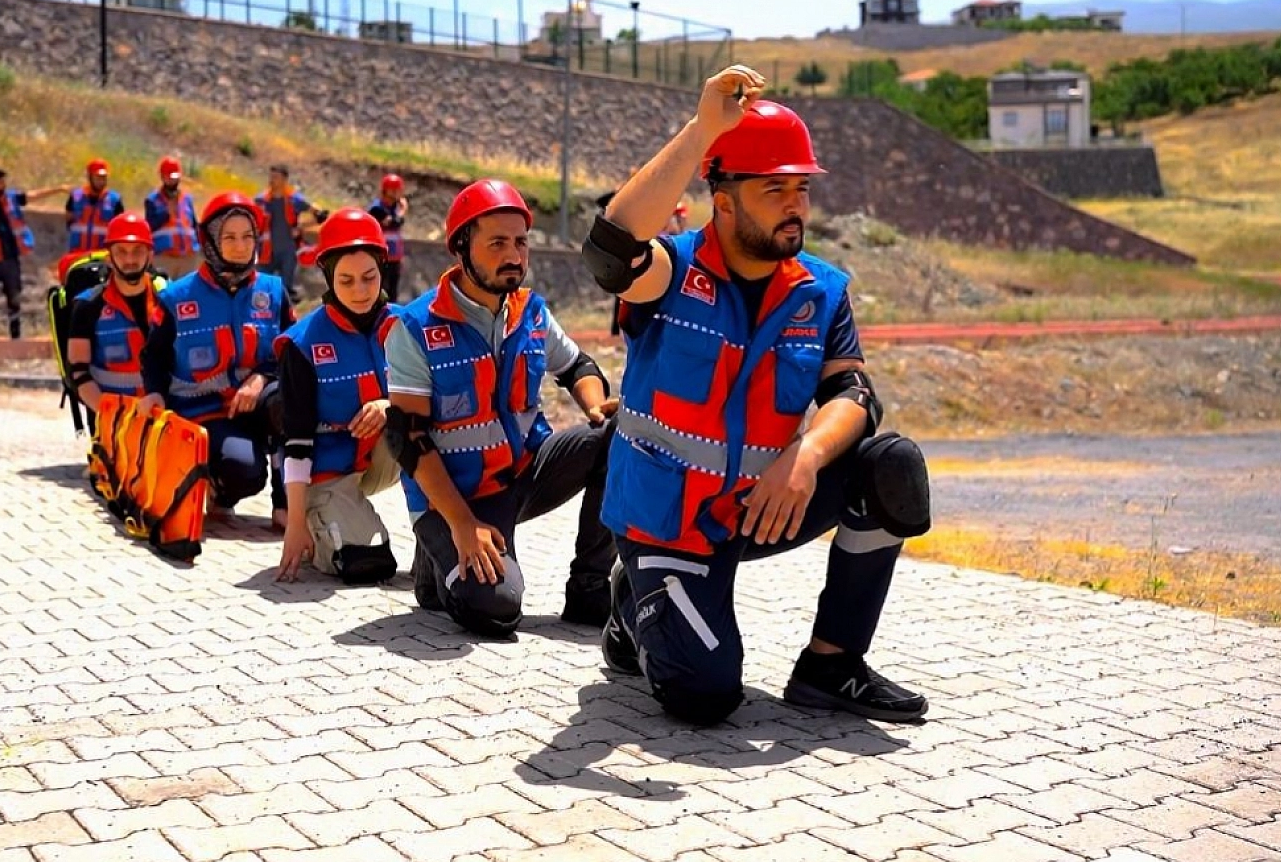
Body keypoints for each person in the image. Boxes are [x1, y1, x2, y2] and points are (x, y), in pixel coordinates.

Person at [582, 66, 933, 726]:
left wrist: (803, 457)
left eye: (801, 188)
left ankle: (832, 666)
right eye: (775, 189)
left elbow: (853, 393)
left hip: (758, 506)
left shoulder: (820, 289)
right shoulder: (672, 271)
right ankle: (634, 607)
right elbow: (610, 251)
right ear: (725, 200)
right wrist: (702, 131)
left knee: (891, 464)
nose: (795, 204)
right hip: (668, 521)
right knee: (706, 698)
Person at [384, 179, 616, 638]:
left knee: (618, 430)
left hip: (523, 475)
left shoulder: (530, 312)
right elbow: (406, 439)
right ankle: (438, 560)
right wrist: (464, 525)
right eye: (497, 243)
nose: (514, 255)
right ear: (461, 249)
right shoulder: (414, 328)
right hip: (452, 499)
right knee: (496, 610)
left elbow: (577, 367)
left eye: (521, 242)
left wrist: (594, 407)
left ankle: (589, 586)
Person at [145, 192, 291, 529]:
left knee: (291, 403)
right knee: (247, 473)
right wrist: (153, 393)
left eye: (247, 237)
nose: (241, 246)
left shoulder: (273, 291)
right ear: (210, 240)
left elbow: (290, 353)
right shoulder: (176, 298)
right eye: (229, 237)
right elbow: (153, 356)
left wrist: (260, 379)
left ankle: (285, 505)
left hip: (256, 404)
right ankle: (219, 489)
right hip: (202, 412)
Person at [273, 209, 402, 585]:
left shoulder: (404, 327)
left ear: (382, 270)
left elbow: (436, 401)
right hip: (326, 472)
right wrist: (294, 524)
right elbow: (295, 443)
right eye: (346, 280)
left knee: (426, 424)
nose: (360, 291)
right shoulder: (302, 344)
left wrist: (390, 406)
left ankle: (439, 527)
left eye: (369, 278)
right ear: (328, 278)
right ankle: (319, 523)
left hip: (383, 454)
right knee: (369, 565)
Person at [64, 212, 172, 411]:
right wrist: (110, 415)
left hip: (165, 417)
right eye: (121, 251)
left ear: (150, 255)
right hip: (112, 421)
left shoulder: (169, 298)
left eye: (138, 250)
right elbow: (77, 372)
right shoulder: (87, 306)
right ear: (109, 258)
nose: (130, 259)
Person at [0, 168, 71, 340]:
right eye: (0, 182)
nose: (4, 185)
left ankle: (16, 337)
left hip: (10, 258)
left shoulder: (11, 199)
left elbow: (33, 196)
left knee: (14, 298)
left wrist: (57, 189)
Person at [255, 164, 328, 305]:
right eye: (270, 176)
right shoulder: (261, 200)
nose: (271, 180)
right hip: (265, 250)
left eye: (275, 177)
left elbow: (320, 214)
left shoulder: (295, 200)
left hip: (288, 250)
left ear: (284, 179)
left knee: (285, 289)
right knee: (261, 288)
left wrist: (302, 227)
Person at [144, 155, 201, 281]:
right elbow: (150, 226)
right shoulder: (153, 200)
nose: (172, 181)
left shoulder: (187, 199)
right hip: (164, 258)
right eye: (169, 177)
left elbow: (193, 225)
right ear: (162, 177)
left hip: (188, 257)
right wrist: (166, 213)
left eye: (175, 178)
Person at [65, 159, 126, 255]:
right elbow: (68, 220)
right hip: (77, 253)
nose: (101, 181)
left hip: (102, 255)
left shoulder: (115, 200)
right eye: (98, 178)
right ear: (90, 177)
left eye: (104, 178)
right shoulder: (75, 196)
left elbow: (120, 228)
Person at [366, 173, 409, 301]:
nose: (398, 193)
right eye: (395, 190)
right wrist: (403, 210)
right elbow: (394, 222)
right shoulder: (377, 209)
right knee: (381, 292)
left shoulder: (394, 208)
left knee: (392, 293)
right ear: (387, 191)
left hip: (394, 258)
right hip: (381, 257)